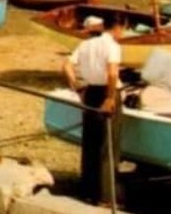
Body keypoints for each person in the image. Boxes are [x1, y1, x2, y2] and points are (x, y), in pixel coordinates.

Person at [63, 11, 124, 207]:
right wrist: (110, 97)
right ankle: (106, 196)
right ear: (117, 28)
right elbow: (112, 73)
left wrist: (77, 86)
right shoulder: (112, 46)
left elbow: (66, 65)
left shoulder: (85, 44)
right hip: (106, 92)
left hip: (89, 91)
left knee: (90, 142)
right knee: (108, 144)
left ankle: (88, 190)